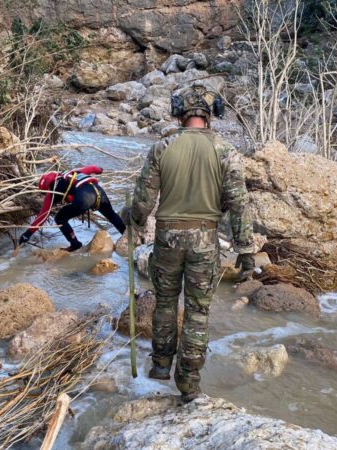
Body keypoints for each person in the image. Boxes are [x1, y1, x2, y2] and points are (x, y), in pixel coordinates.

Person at [123, 83, 255, 403]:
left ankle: (160, 365)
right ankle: (188, 383)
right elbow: (238, 203)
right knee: (198, 310)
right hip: (204, 239)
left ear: (180, 113)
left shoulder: (163, 147)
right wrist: (246, 249)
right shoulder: (226, 151)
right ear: (210, 116)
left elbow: (143, 200)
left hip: (167, 237)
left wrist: (134, 222)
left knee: (165, 301)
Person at [17, 165, 126, 251]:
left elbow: (42, 217)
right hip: (99, 192)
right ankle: (127, 238)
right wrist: (100, 170)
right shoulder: (72, 173)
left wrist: (27, 234)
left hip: (84, 199)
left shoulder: (51, 192)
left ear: (47, 187)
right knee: (111, 215)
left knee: (60, 218)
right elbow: (93, 168)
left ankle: (75, 244)